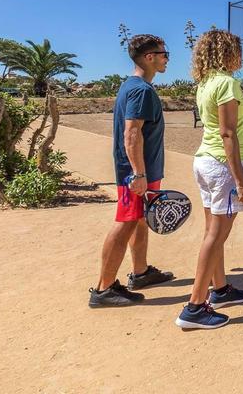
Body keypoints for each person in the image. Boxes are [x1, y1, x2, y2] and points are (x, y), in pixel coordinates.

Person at [175, 29, 243, 329]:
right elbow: (228, 133)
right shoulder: (227, 83)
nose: (241, 55)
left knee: (212, 230)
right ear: (227, 52)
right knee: (216, 234)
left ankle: (220, 289)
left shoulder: (206, 83)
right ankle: (194, 307)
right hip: (222, 167)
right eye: (238, 49)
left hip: (205, 163)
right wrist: (241, 182)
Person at [89, 35, 174, 307]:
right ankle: (103, 290)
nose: (167, 58)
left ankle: (140, 273)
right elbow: (132, 133)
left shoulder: (135, 86)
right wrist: (138, 173)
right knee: (126, 221)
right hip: (135, 174)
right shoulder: (141, 90)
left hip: (143, 172)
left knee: (140, 219)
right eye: (164, 54)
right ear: (149, 57)